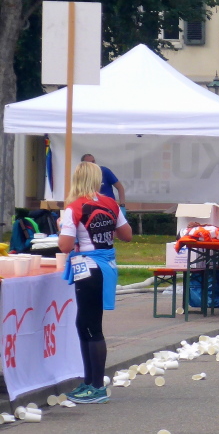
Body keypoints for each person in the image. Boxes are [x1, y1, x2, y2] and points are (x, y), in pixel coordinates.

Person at [59, 162, 132, 404]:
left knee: (90, 326)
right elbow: (127, 235)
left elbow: (65, 246)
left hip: (87, 267)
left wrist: (63, 229)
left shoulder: (74, 207)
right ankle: (89, 382)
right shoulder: (110, 203)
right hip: (106, 265)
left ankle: (97, 386)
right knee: (85, 323)